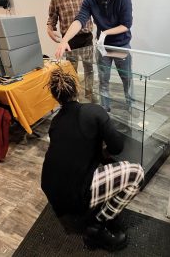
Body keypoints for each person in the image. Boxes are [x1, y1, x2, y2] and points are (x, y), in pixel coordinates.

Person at [41, 67, 144, 251]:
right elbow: (117, 147)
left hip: (52, 192)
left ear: (56, 97)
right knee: (136, 174)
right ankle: (96, 227)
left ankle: (90, 209)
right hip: (76, 194)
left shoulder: (55, 122)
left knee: (105, 164)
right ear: (77, 89)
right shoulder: (94, 111)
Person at [55, 0, 133, 112]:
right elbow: (80, 19)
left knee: (127, 79)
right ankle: (105, 110)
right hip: (102, 47)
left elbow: (126, 24)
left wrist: (105, 32)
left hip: (120, 45)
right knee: (103, 80)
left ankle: (131, 106)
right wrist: (64, 40)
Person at [47, 0, 94, 100]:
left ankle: (90, 93)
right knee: (71, 70)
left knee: (89, 68)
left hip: (86, 37)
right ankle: (74, 97)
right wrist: (49, 29)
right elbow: (52, 17)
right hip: (68, 40)